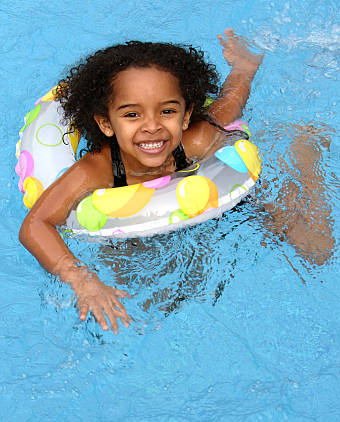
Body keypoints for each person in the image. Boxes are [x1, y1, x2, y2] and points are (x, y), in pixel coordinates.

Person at [19, 29, 264, 333]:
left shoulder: (198, 138)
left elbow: (231, 101)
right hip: (127, 241)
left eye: (167, 111)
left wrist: (244, 66)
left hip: (205, 220)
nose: (152, 126)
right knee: (145, 315)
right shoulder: (97, 169)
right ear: (106, 123)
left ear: (185, 117)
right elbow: (35, 225)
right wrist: (84, 281)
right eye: (132, 114)